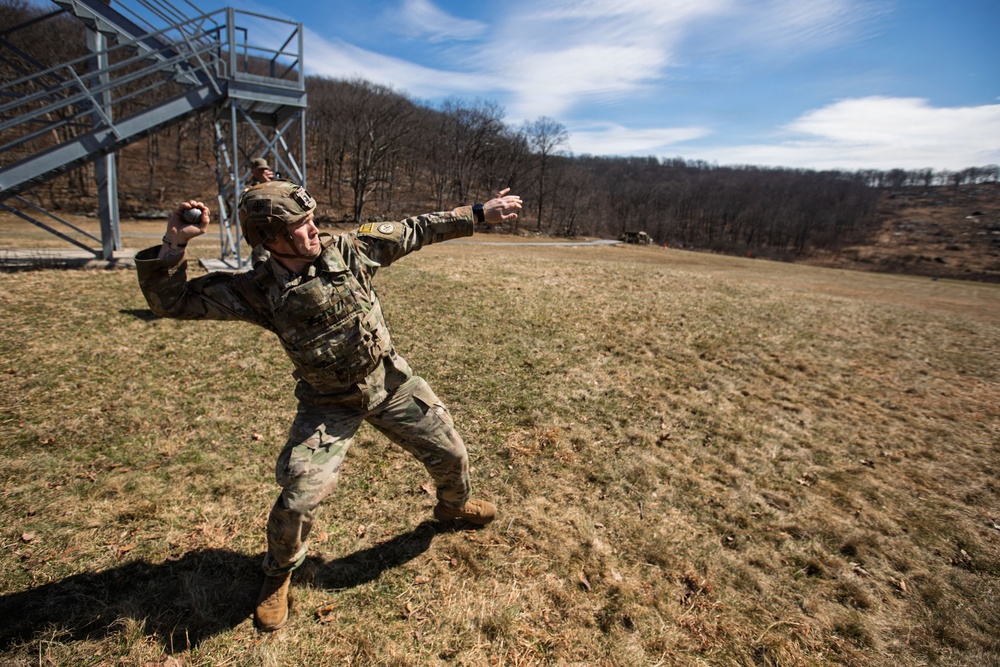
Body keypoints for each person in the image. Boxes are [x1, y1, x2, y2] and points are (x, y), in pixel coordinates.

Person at [133, 181, 523, 632]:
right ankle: (277, 574)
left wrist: (477, 213)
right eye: (300, 226)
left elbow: (417, 229)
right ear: (272, 240)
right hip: (327, 404)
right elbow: (173, 302)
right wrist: (174, 243)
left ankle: (454, 507)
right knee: (299, 498)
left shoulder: (351, 250)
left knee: (453, 454)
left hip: (389, 383)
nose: (314, 230)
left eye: (312, 219)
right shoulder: (256, 290)